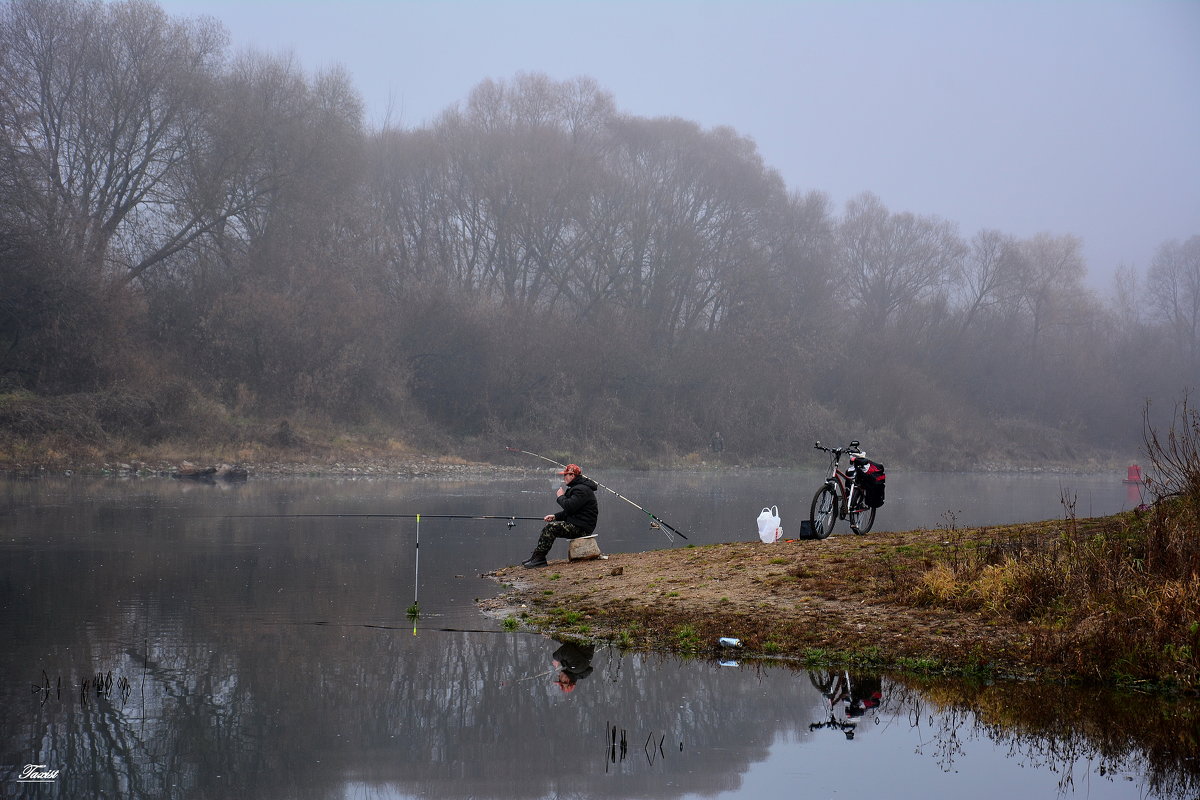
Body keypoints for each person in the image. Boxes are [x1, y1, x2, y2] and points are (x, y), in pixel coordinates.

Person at [522, 463, 598, 568]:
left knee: (551, 528)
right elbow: (571, 511)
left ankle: (539, 559)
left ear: (572, 475)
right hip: (579, 524)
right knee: (551, 526)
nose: (564, 478)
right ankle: (536, 556)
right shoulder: (578, 488)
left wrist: (561, 496)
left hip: (582, 528)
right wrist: (555, 516)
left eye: (565, 475)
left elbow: (569, 507)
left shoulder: (581, 490)